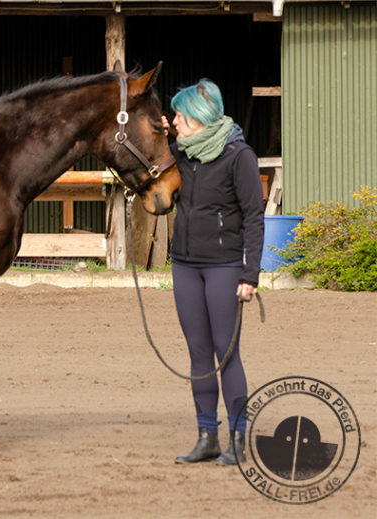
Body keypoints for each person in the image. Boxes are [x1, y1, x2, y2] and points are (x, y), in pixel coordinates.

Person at [162, 79, 264, 465]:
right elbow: (151, 162)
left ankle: (238, 438)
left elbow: (255, 217)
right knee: (198, 353)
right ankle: (208, 436)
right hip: (185, 265)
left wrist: (249, 274)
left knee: (227, 353)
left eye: (178, 115)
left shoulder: (240, 156)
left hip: (224, 268)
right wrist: (155, 129)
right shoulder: (182, 155)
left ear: (197, 117)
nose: (174, 121)